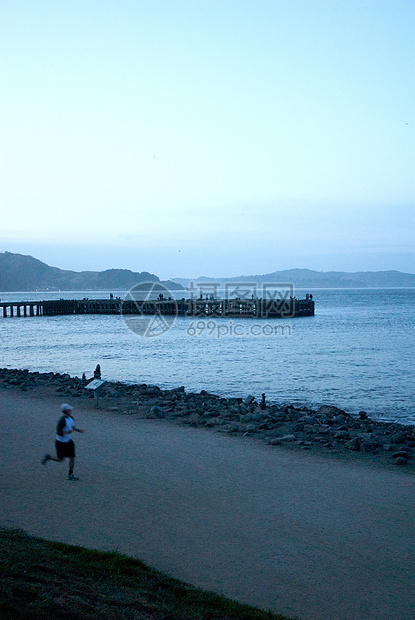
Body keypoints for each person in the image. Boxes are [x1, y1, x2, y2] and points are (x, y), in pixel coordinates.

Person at [42, 403, 85, 481]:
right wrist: (67, 432)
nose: (71, 410)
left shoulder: (71, 418)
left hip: (68, 441)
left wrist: (78, 430)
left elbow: (72, 427)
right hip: (61, 443)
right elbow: (59, 433)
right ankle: (49, 457)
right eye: (69, 409)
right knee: (61, 459)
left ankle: (70, 474)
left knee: (72, 457)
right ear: (66, 411)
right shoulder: (62, 421)